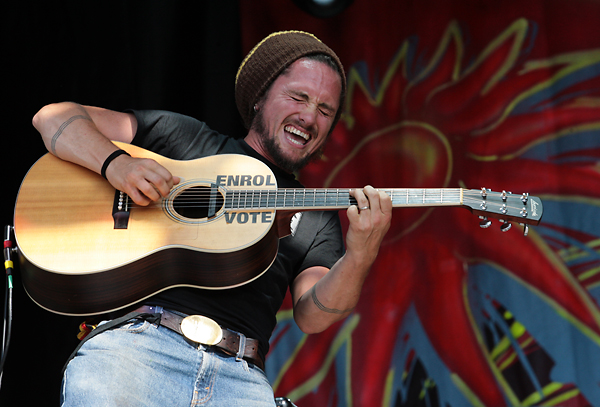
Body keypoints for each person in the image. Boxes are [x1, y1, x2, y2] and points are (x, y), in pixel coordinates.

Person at [32, 31, 392, 406]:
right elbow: (52, 117)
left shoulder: (316, 210)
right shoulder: (186, 140)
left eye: (325, 110)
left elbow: (313, 315)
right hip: (136, 353)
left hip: (241, 378)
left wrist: (361, 254)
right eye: (298, 97)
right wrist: (117, 165)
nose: (308, 116)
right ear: (260, 98)